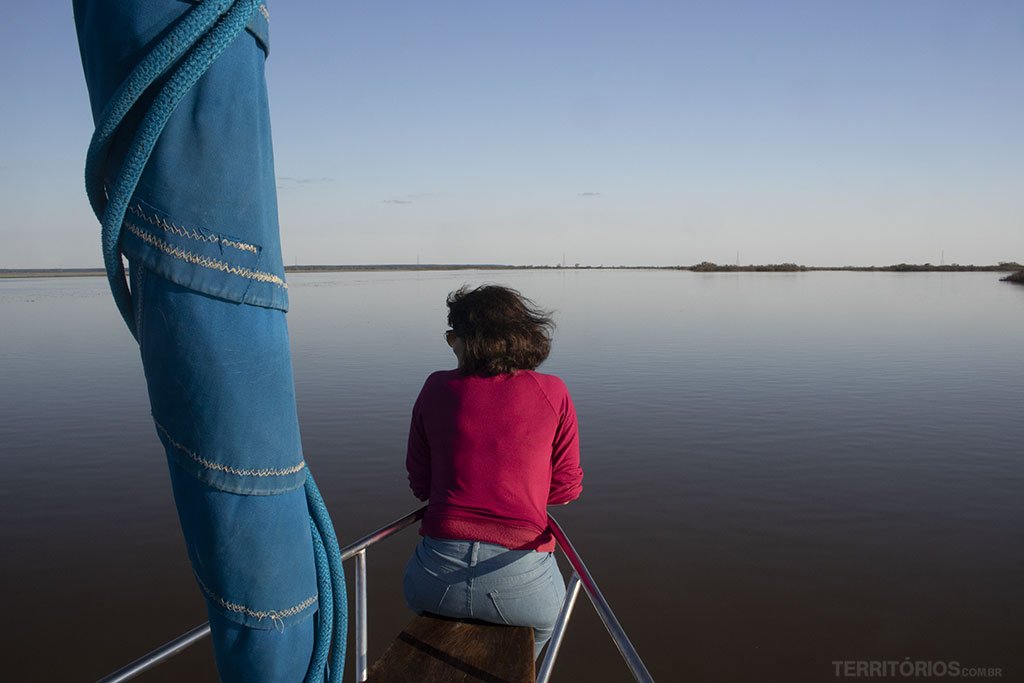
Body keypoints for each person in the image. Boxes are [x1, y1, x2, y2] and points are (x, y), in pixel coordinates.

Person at [403, 284, 584, 658]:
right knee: (542, 630)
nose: (450, 345)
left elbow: (421, 485)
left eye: (452, 336)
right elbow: (565, 490)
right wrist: (520, 490)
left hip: (433, 579)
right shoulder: (553, 391)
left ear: (471, 341)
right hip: (522, 584)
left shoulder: (435, 387)